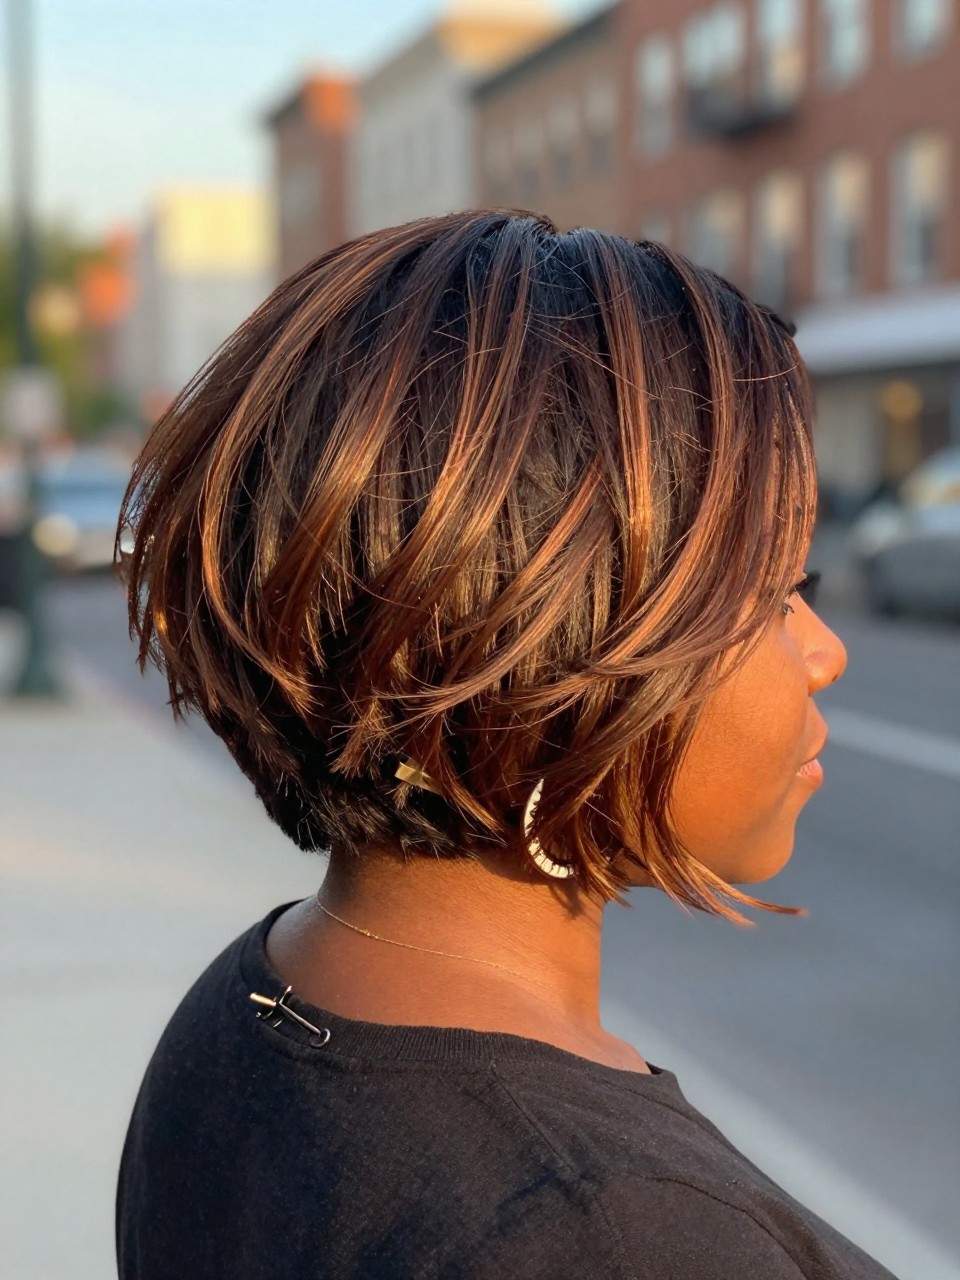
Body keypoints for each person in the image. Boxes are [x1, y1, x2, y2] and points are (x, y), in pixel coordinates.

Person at [115, 210, 895, 1279]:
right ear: (534, 641)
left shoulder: (264, 999)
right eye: (772, 594)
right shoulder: (607, 1237)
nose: (827, 652)